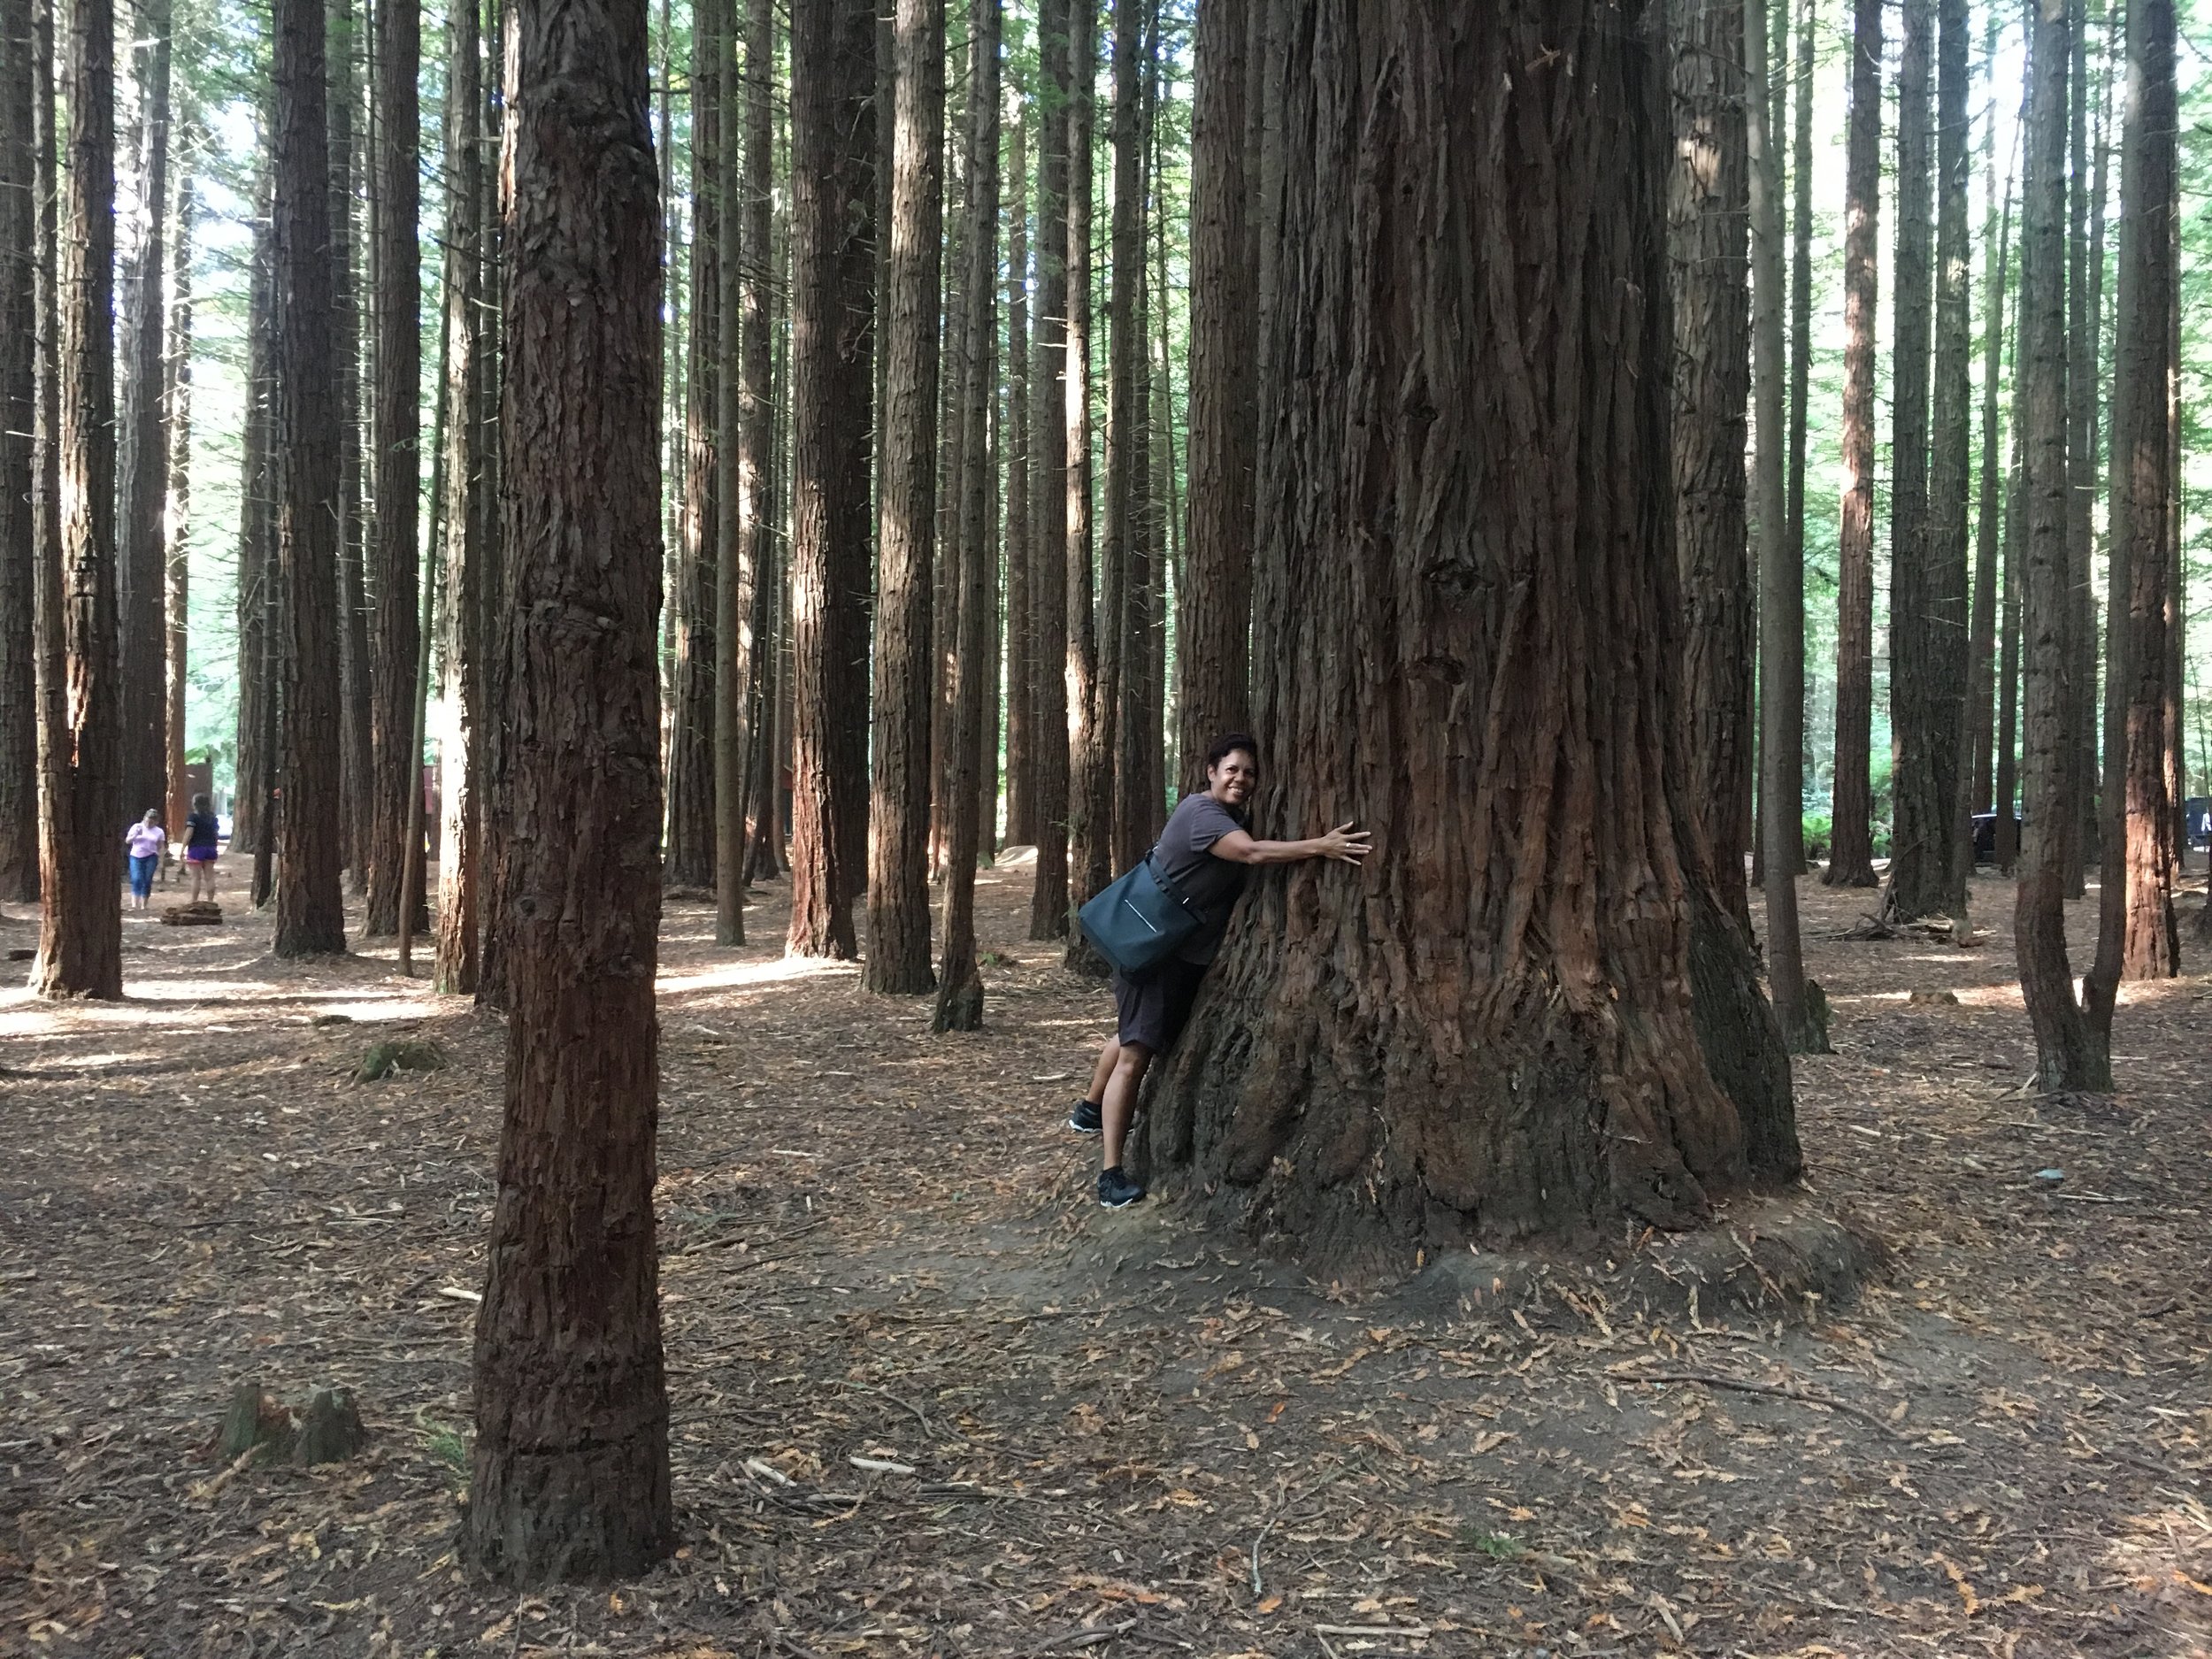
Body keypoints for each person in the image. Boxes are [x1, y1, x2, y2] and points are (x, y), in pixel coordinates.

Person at [1070, 733, 1370, 1209]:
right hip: (1151, 950)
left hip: (1173, 951)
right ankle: (1110, 1174)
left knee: (1138, 1032)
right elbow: (1250, 853)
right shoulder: (1203, 814)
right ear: (1211, 772)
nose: (1241, 779)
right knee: (1137, 1052)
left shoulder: (1230, 815)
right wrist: (1323, 846)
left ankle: (1088, 1108)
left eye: (1249, 772)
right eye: (1232, 769)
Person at [182, 792, 220, 902]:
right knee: (210, 877)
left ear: (195, 804)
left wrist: (183, 848)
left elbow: (189, 832)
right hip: (210, 848)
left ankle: (194, 900)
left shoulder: (193, 817)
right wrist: (214, 846)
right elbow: (215, 834)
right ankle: (210, 901)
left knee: (196, 877)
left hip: (196, 848)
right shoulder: (213, 818)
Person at [124, 810, 165, 911]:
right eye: (147, 821)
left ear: (156, 822)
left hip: (151, 856)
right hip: (136, 856)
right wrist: (135, 835)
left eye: (151, 822)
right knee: (136, 878)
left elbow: (161, 846)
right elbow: (127, 841)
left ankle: (144, 904)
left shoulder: (159, 831)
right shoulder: (136, 827)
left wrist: (161, 860)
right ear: (144, 819)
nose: (148, 824)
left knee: (147, 879)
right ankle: (134, 904)